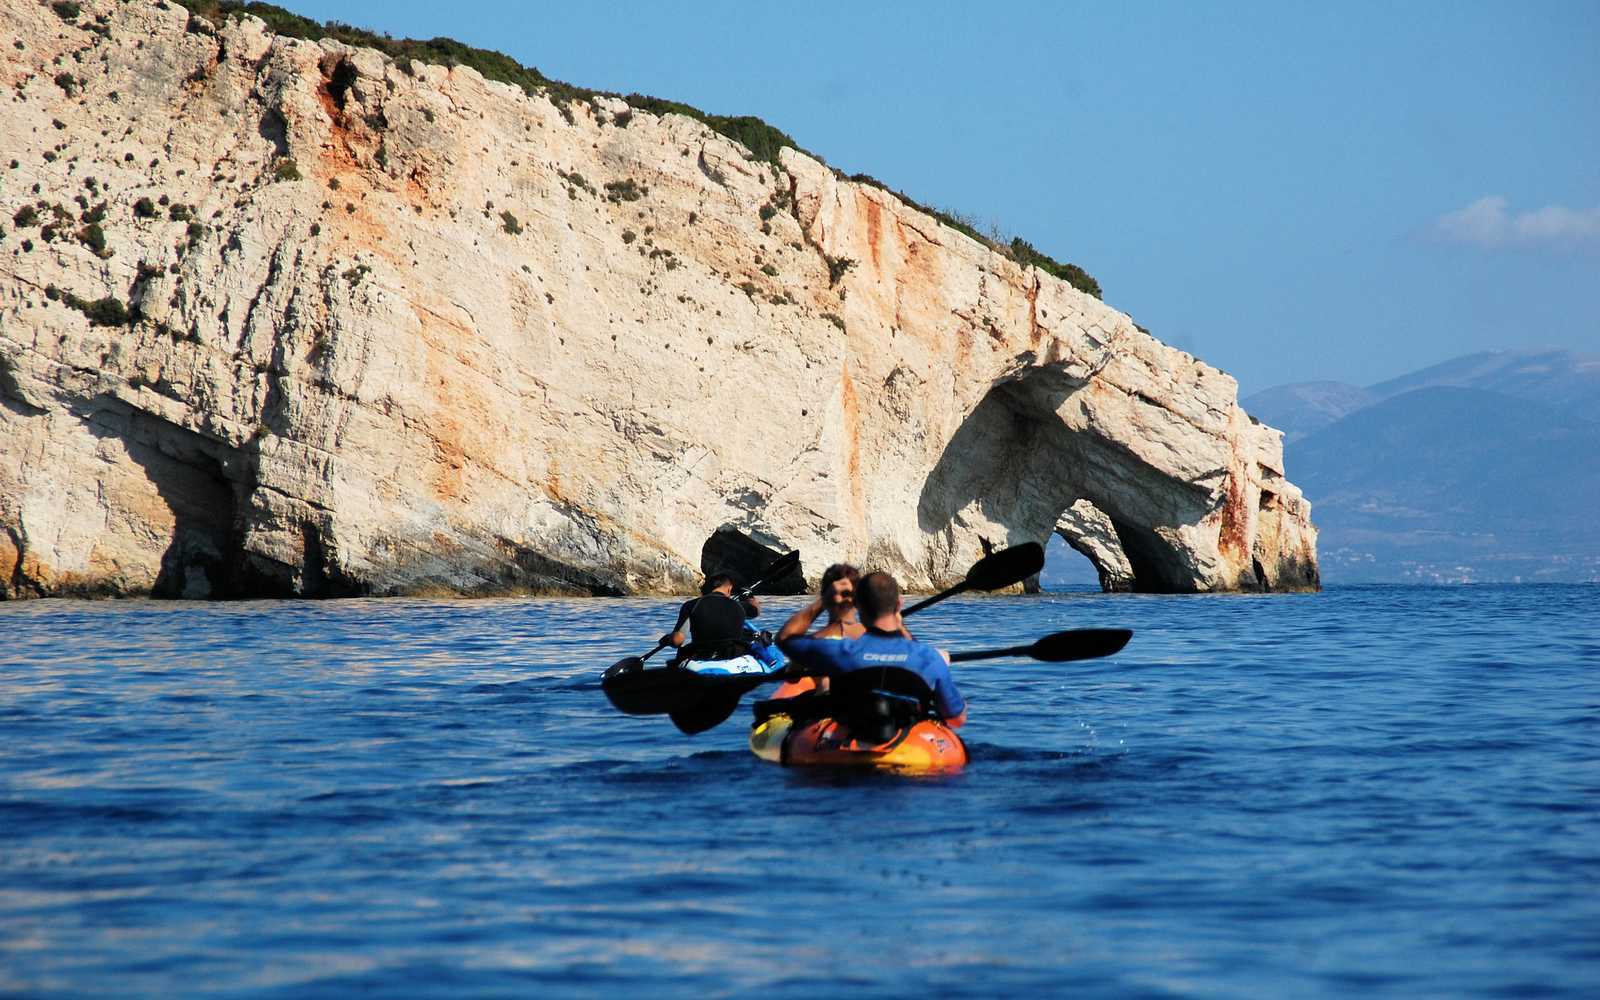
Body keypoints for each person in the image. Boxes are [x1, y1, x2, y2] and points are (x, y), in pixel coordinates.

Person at [778, 570, 966, 731]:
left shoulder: (837, 651)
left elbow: (785, 639)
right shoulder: (929, 658)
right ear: (899, 605)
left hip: (846, 747)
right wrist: (941, 663)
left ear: (858, 605)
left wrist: (824, 600)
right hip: (906, 747)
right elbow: (956, 719)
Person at [664, 572, 762, 664]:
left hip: (701, 654)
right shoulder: (740, 606)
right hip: (733, 654)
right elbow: (756, 611)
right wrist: (748, 596)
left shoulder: (691, 605)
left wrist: (668, 639)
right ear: (729, 589)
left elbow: (677, 640)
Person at [776, 563, 864, 643]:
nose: (838, 599)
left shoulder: (815, 645)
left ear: (825, 595)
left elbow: (784, 638)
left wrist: (828, 596)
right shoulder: (874, 639)